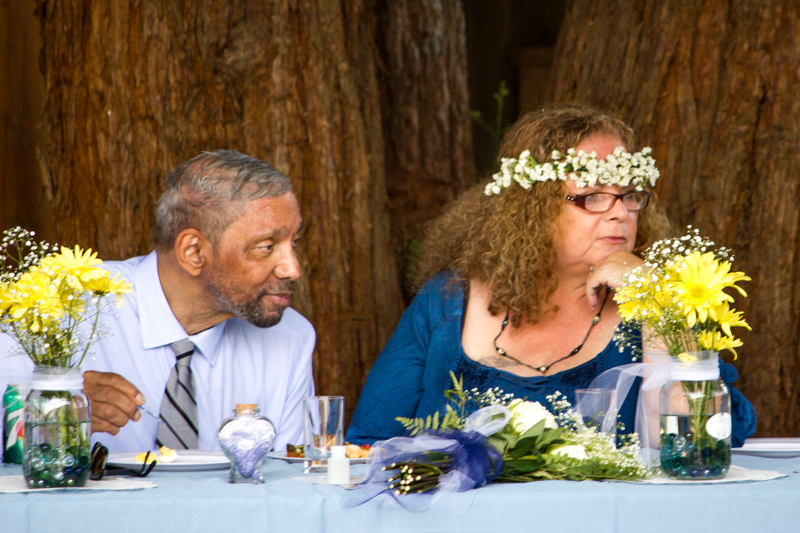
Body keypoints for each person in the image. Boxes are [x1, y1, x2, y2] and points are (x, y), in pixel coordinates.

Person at [347, 104, 756, 446]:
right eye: (592, 196)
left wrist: (656, 300)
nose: (620, 212)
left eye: (629, 195)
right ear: (533, 209)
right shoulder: (447, 300)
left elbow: (706, 439)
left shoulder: (659, 299)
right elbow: (369, 439)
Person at [0, 150, 315, 452]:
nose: (293, 269)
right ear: (193, 252)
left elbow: (288, 475)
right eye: (266, 247)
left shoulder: (290, 339)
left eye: (294, 242)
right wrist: (52, 413)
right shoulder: (54, 307)